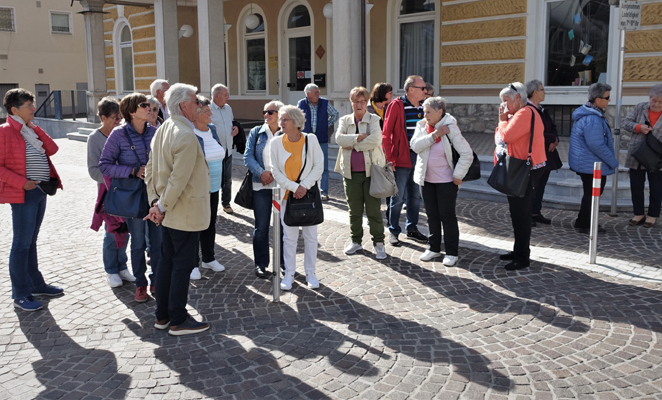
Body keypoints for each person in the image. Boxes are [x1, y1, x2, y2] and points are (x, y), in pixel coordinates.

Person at [144, 83, 211, 336]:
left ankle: (163, 316)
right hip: (183, 212)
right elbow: (178, 179)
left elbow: (150, 170)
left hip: (171, 211)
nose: (199, 105)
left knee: (167, 264)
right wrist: (160, 206)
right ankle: (178, 319)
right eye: (195, 101)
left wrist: (155, 203)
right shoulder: (184, 134)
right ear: (183, 105)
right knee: (181, 266)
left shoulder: (163, 129)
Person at [1, 88, 64, 311]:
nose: (33, 109)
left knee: (31, 241)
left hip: (40, 191)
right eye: (29, 106)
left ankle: (36, 284)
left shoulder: (30, 130)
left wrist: (33, 127)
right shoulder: (5, 132)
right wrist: (23, 183)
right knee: (21, 244)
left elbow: (53, 149)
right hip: (24, 193)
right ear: (14, 110)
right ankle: (20, 294)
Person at [99, 92, 162, 303]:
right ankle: (140, 284)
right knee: (138, 243)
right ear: (132, 111)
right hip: (132, 197)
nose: (149, 108)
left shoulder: (155, 132)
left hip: (155, 195)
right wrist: (132, 171)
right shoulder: (118, 135)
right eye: (144, 105)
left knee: (157, 242)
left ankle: (156, 280)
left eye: (149, 105)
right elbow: (104, 165)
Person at [411, 97, 473, 266]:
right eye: (424, 111)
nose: (425, 115)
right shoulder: (421, 125)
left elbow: (467, 153)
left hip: (447, 181)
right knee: (432, 215)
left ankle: (452, 252)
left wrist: (458, 175)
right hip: (426, 180)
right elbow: (415, 146)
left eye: (428, 112)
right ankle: (433, 248)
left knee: (447, 216)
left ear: (440, 112)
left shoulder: (450, 127)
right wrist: (435, 135)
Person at [270, 105, 324, 291]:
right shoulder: (276, 143)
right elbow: (275, 170)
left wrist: (303, 187)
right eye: (280, 119)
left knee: (311, 237)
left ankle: (311, 273)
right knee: (289, 238)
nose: (281, 122)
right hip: (287, 197)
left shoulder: (311, 139)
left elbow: (319, 165)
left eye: (285, 119)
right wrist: (294, 188)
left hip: (308, 196)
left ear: (296, 121)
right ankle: (289, 274)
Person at [494, 82, 546, 271]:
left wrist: (502, 120)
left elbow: (506, 136)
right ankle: (519, 250)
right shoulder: (522, 113)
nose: (503, 105)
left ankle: (522, 256)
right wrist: (505, 119)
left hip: (524, 169)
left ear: (517, 98)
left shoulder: (525, 113)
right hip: (521, 167)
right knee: (518, 213)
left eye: (505, 101)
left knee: (521, 214)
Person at [335, 87, 387, 260]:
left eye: (362, 101)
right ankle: (356, 241)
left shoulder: (374, 119)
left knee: (374, 211)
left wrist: (351, 144)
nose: (359, 105)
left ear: (366, 103)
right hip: (350, 173)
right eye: (356, 101)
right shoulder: (344, 120)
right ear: (351, 102)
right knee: (354, 211)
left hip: (372, 173)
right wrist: (359, 137)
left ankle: (379, 243)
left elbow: (376, 140)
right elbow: (338, 139)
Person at [87, 97, 133, 288]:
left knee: (126, 230)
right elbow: (93, 170)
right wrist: (115, 178)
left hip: (127, 190)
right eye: (115, 118)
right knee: (112, 232)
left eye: (120, 117)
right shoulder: (95, 138)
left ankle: (122, 266)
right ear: (103, 118)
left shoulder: (122, 134)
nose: (119, 121)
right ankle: (111, 270)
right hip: (108, 192)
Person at [382, 75, 429, 246]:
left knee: (415, 196)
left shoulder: (425, 106)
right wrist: (390, 159)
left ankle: (412, 229)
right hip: (401, 157)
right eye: (422, 88)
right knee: (398, 197)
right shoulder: (396, 105)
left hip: (419, 157)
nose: (425, 91)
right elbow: (386, 134)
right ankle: (393, 231)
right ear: (410, 90)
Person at [568, 82, 618, 234]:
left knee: (590, 194)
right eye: (607, 97)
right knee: (592, 195)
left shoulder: (592, 114)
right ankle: (585, 224)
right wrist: (612, 161)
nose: (609, 100)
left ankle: (583, 221)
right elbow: (596, 144)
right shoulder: (593, 118)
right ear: (597, 99)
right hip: (591, 164)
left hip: (588, 162)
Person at [244, 100, 285, 279]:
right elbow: (248, 156)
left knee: (283, 227)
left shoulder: (287, 132)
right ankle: (261, 264)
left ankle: (283, 263)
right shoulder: (256, 132)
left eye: (270, 112)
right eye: (264, 112)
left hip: (282, 187)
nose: (266, 115)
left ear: (280, 113)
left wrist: (276, 175)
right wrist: (261, 173)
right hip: (261, 185)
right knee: (261, 227)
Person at [190, 95, 226, 280]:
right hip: (198, 188)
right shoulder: (191, 133)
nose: (210, 114)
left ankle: (208, 258)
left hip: (214, 186)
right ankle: (192, 264)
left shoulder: (211, 129)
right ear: (196, 114)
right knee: (196, 225)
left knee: (210, 223)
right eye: (206, 111)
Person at [622, 84, 662, 228]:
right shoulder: (640, 107)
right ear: (649, 98)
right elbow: (625, 122)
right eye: (653, 100)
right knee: (636, 186)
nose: (656, 104)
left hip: (657, 156)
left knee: (656, 187)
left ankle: (653, 215)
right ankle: (638, 213)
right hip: (637, 154)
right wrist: (639, 127)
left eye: (660, 102)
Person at [525, 80, 562, 226]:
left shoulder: (542, 110)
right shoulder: (527, 110)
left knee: (541, 185)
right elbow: (533, 133)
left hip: (547, 154)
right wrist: (552, 138)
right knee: (532, 186)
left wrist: (555, 139)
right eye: (542, 90)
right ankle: (527, 214)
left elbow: (553, 127)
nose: (544, 92)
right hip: (535, 155)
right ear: (535, 92)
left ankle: (536, 212)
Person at [297, 83, 339, 201]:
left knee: (323, 166)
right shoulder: (301, 103)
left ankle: (323, 192)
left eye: (318, 92)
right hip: (306, 140)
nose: (318, 94)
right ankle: (308, 190)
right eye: (315, 92)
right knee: (306, 165)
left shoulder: (324, 103)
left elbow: (335, 114)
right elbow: (297, 118)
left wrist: (326, 125)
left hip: (321, 139)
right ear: (308, 94)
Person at [209, 83, 239, 214]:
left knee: (227, 179)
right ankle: (211, 205)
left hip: (228, 149)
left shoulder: (228, 108)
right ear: (217, 96)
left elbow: (231, 123)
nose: (228, 97)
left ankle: (226, 203)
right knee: (214, 179)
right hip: (214, 152)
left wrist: (235, 128)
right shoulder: (207, 109)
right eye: (226, 94)